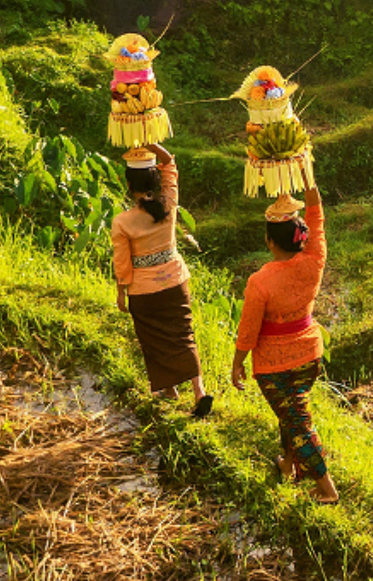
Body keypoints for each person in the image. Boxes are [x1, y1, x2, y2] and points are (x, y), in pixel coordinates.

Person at [230, 187, 339, 504]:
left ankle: (327, 490)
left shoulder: (260, 281)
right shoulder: (314, 260)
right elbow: (317, 217)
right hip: (309, 357)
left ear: (269, 240)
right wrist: (310, 185)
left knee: (299, 424)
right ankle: (289, 465)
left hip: (276, 366)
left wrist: (238, 361)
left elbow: (249, 329)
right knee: (290, 415)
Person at [112, 143, 212, 418]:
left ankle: (169, 389)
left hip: (144, 291)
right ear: (156, 179)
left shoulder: (122, 222)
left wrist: (121, 293)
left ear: (128, 184)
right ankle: (199, 391)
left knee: (153, 339)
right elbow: (171, 165)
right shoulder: (168, 202)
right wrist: (149, 144)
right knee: (184, 334)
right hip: (176, 282)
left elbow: (122, 262)